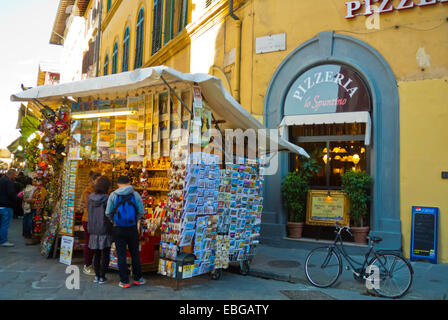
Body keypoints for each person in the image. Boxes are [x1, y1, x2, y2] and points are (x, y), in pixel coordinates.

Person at [105, 175, 146, 288]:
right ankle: (138, 279)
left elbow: (108, 212)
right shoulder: (135, 194)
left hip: (118, 228)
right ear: (129, 183)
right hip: (132, 228)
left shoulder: (113, 195)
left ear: (118, 184)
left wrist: (115, 221)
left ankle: (124, 281)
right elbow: (141, 211)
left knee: (121, 254)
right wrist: (134, 220)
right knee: (135, 253)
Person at [87, 176, 113, 284]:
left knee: (96, 253)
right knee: (105, 253)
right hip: (104, 228)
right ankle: (102, 276)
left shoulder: (90, 197)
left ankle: (97, 276)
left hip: (93, 228)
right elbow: (109, 213)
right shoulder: (107, 198)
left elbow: (88, 211)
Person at [81, 171, 102, 276]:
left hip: (98, 220)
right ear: (93, 181)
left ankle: (94, 264)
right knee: (89, 243)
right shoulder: (88, 191)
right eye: (98, 180)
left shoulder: (100, 191)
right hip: (89, 219)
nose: (100, 182)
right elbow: (90, 205)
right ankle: (87, 265)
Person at [26, 178, 46, 246]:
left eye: (37, 181)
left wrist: (31, 200)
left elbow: (40, 199)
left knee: (35, 223)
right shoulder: (35, 189)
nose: (35, 182)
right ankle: (34, 237)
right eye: (34, 181)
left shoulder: (42, 189)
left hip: (37, 208)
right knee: (33, 222)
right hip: (33, 207)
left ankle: (35, 238)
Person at [0, 169, 17, 247]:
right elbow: (11, 193)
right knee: (4, 224)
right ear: (12, 174)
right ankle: (3, 241)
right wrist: (17, 200)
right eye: (15, 174)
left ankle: (2, 239)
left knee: (1, 224)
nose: (15, 176)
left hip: (1, 205)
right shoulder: (9, 182)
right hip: (6, 205)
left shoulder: (1, 180)